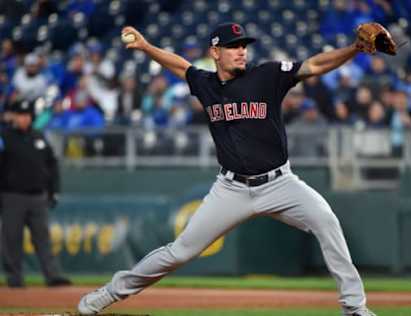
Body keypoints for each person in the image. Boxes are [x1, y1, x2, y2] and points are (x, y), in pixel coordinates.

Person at [78, 23, 376, 316]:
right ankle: (110, 293)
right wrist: (145, 47)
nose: (241, 51)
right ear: (215, 52)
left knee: (327, 222)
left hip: (280, 183)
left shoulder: (267, 75)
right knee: (180, 251)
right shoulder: (206, 84)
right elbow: (180, 66)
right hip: (231, 188)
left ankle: (354, 308)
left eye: (244, 45)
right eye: (233, 46)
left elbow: (313, 65)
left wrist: (354, 49)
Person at [0, 99, 71, 288]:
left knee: (43, 239)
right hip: (12, 196)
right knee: (11, 239)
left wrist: (54, 190)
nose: (24, 119)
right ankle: (15, 278)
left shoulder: (39, 136)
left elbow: (52, 164)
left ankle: (52, 276)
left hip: (38, 196)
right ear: (13, 116)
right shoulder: (4, 137)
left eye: (27, 115)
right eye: (21, 115)